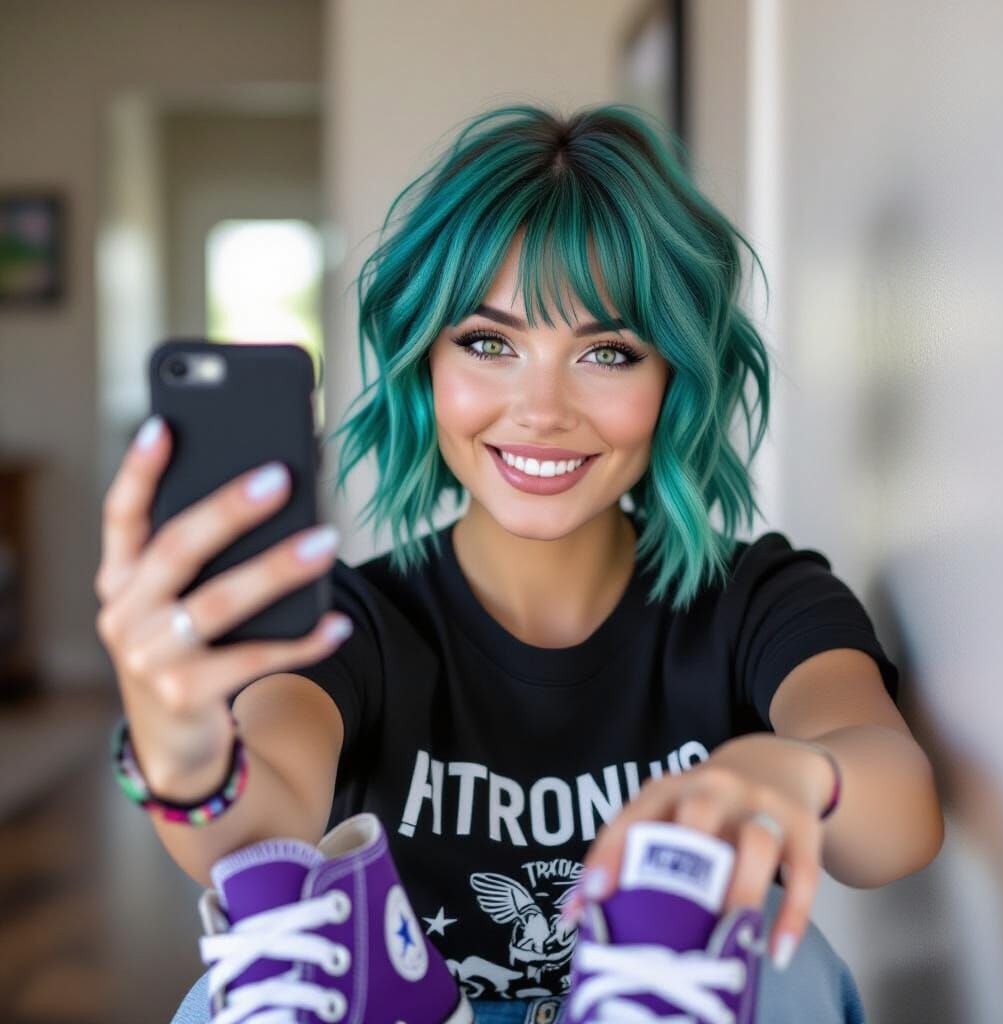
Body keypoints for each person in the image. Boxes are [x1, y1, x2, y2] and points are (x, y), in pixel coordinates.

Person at [96, 103, 945, 1024]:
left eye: (608, 352)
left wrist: (799, 777)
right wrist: (183, 754)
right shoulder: (349, 624)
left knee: (787, 959)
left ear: (674, 381)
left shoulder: (759, 602)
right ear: (425, 363)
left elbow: (897, 814)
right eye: (489, 343)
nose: (542, 409)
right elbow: (265, 829)